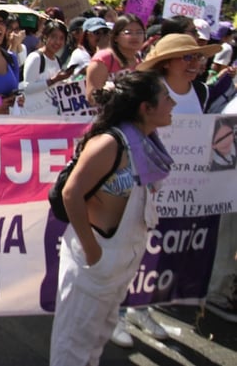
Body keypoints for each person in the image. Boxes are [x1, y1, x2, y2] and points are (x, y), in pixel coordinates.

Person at [50, 70, 176, 366]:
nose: (173, 104)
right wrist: (93, 251)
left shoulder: (145, 142)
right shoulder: (111, 143)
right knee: (73, 348)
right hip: (95, 261)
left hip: (120, 260)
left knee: (96, 340)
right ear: (146, 108)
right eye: (166, 98)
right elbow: (71, 193)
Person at [137, 34, 221, 114]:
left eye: (198, 57)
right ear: (166, 63)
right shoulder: (148, 90)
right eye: (187, 57)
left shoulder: (201, 90)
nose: (194, 63)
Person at [85, 14, 146, 105]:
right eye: (128, 32)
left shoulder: (140, 60)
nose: (135, 36)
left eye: (139, 32)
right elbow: (91, 98)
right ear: (116, 37)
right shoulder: (104, 59)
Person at [19, 19, 73, 116]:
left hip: (50, 117)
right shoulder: (36, 58)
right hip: (32, 116)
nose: (57, 42)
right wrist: (53, 80)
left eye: (61, 38)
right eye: (54, 37)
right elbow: (27, 88)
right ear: (45, 37)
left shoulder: (57, 60)